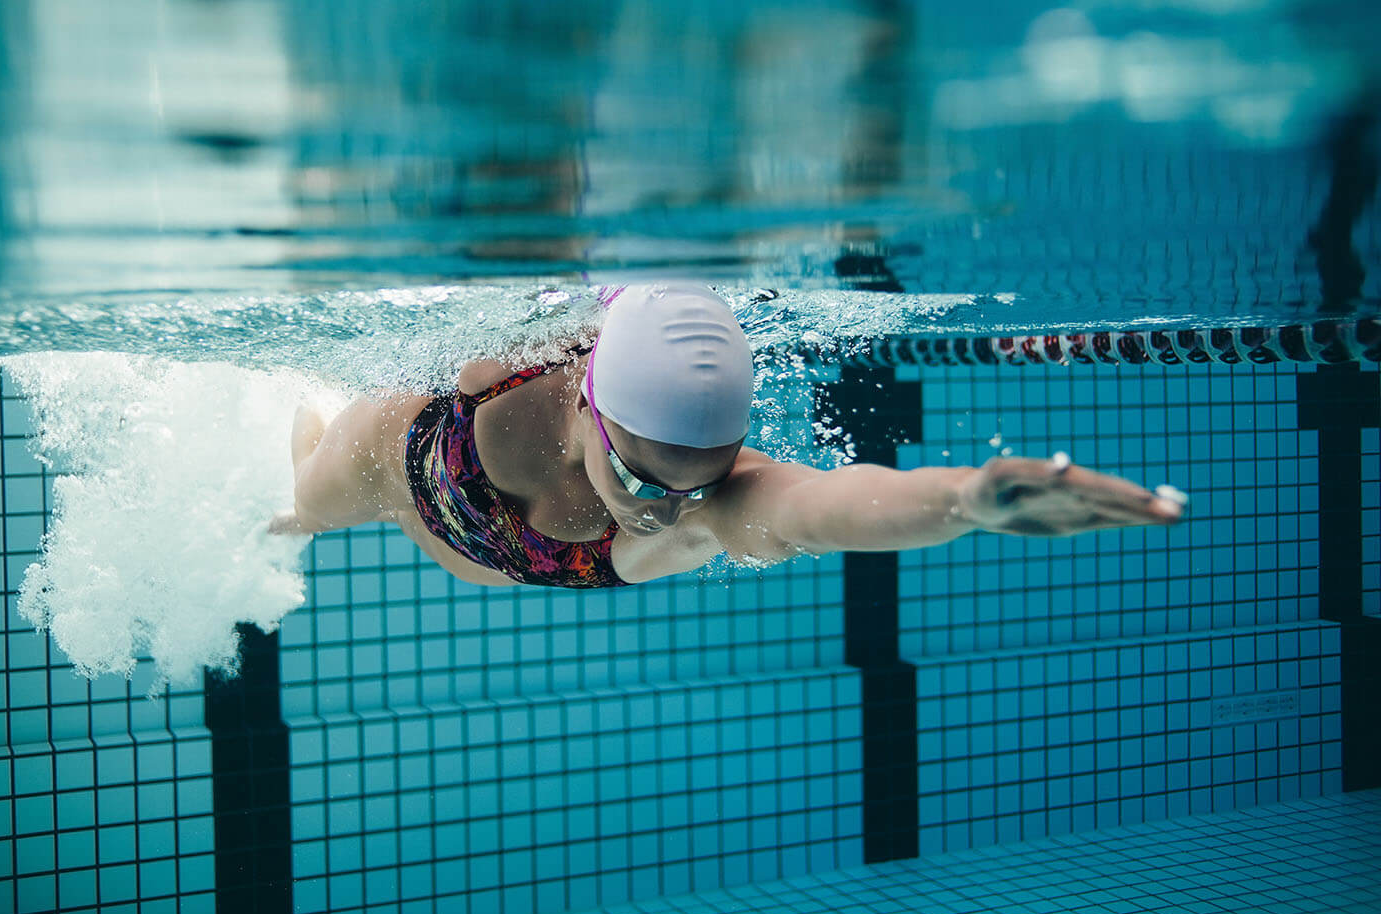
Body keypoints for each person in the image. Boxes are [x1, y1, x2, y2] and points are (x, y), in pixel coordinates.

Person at [268, 284, 1183, 587]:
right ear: (589, 400)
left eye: (697, 483)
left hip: (484, 552)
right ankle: (293, 406)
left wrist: (965, 501)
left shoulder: (705, 501)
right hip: (389, 462)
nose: (665, 508)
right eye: (646, 476)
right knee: (288, 515)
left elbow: (814, 509)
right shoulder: (516, 358)